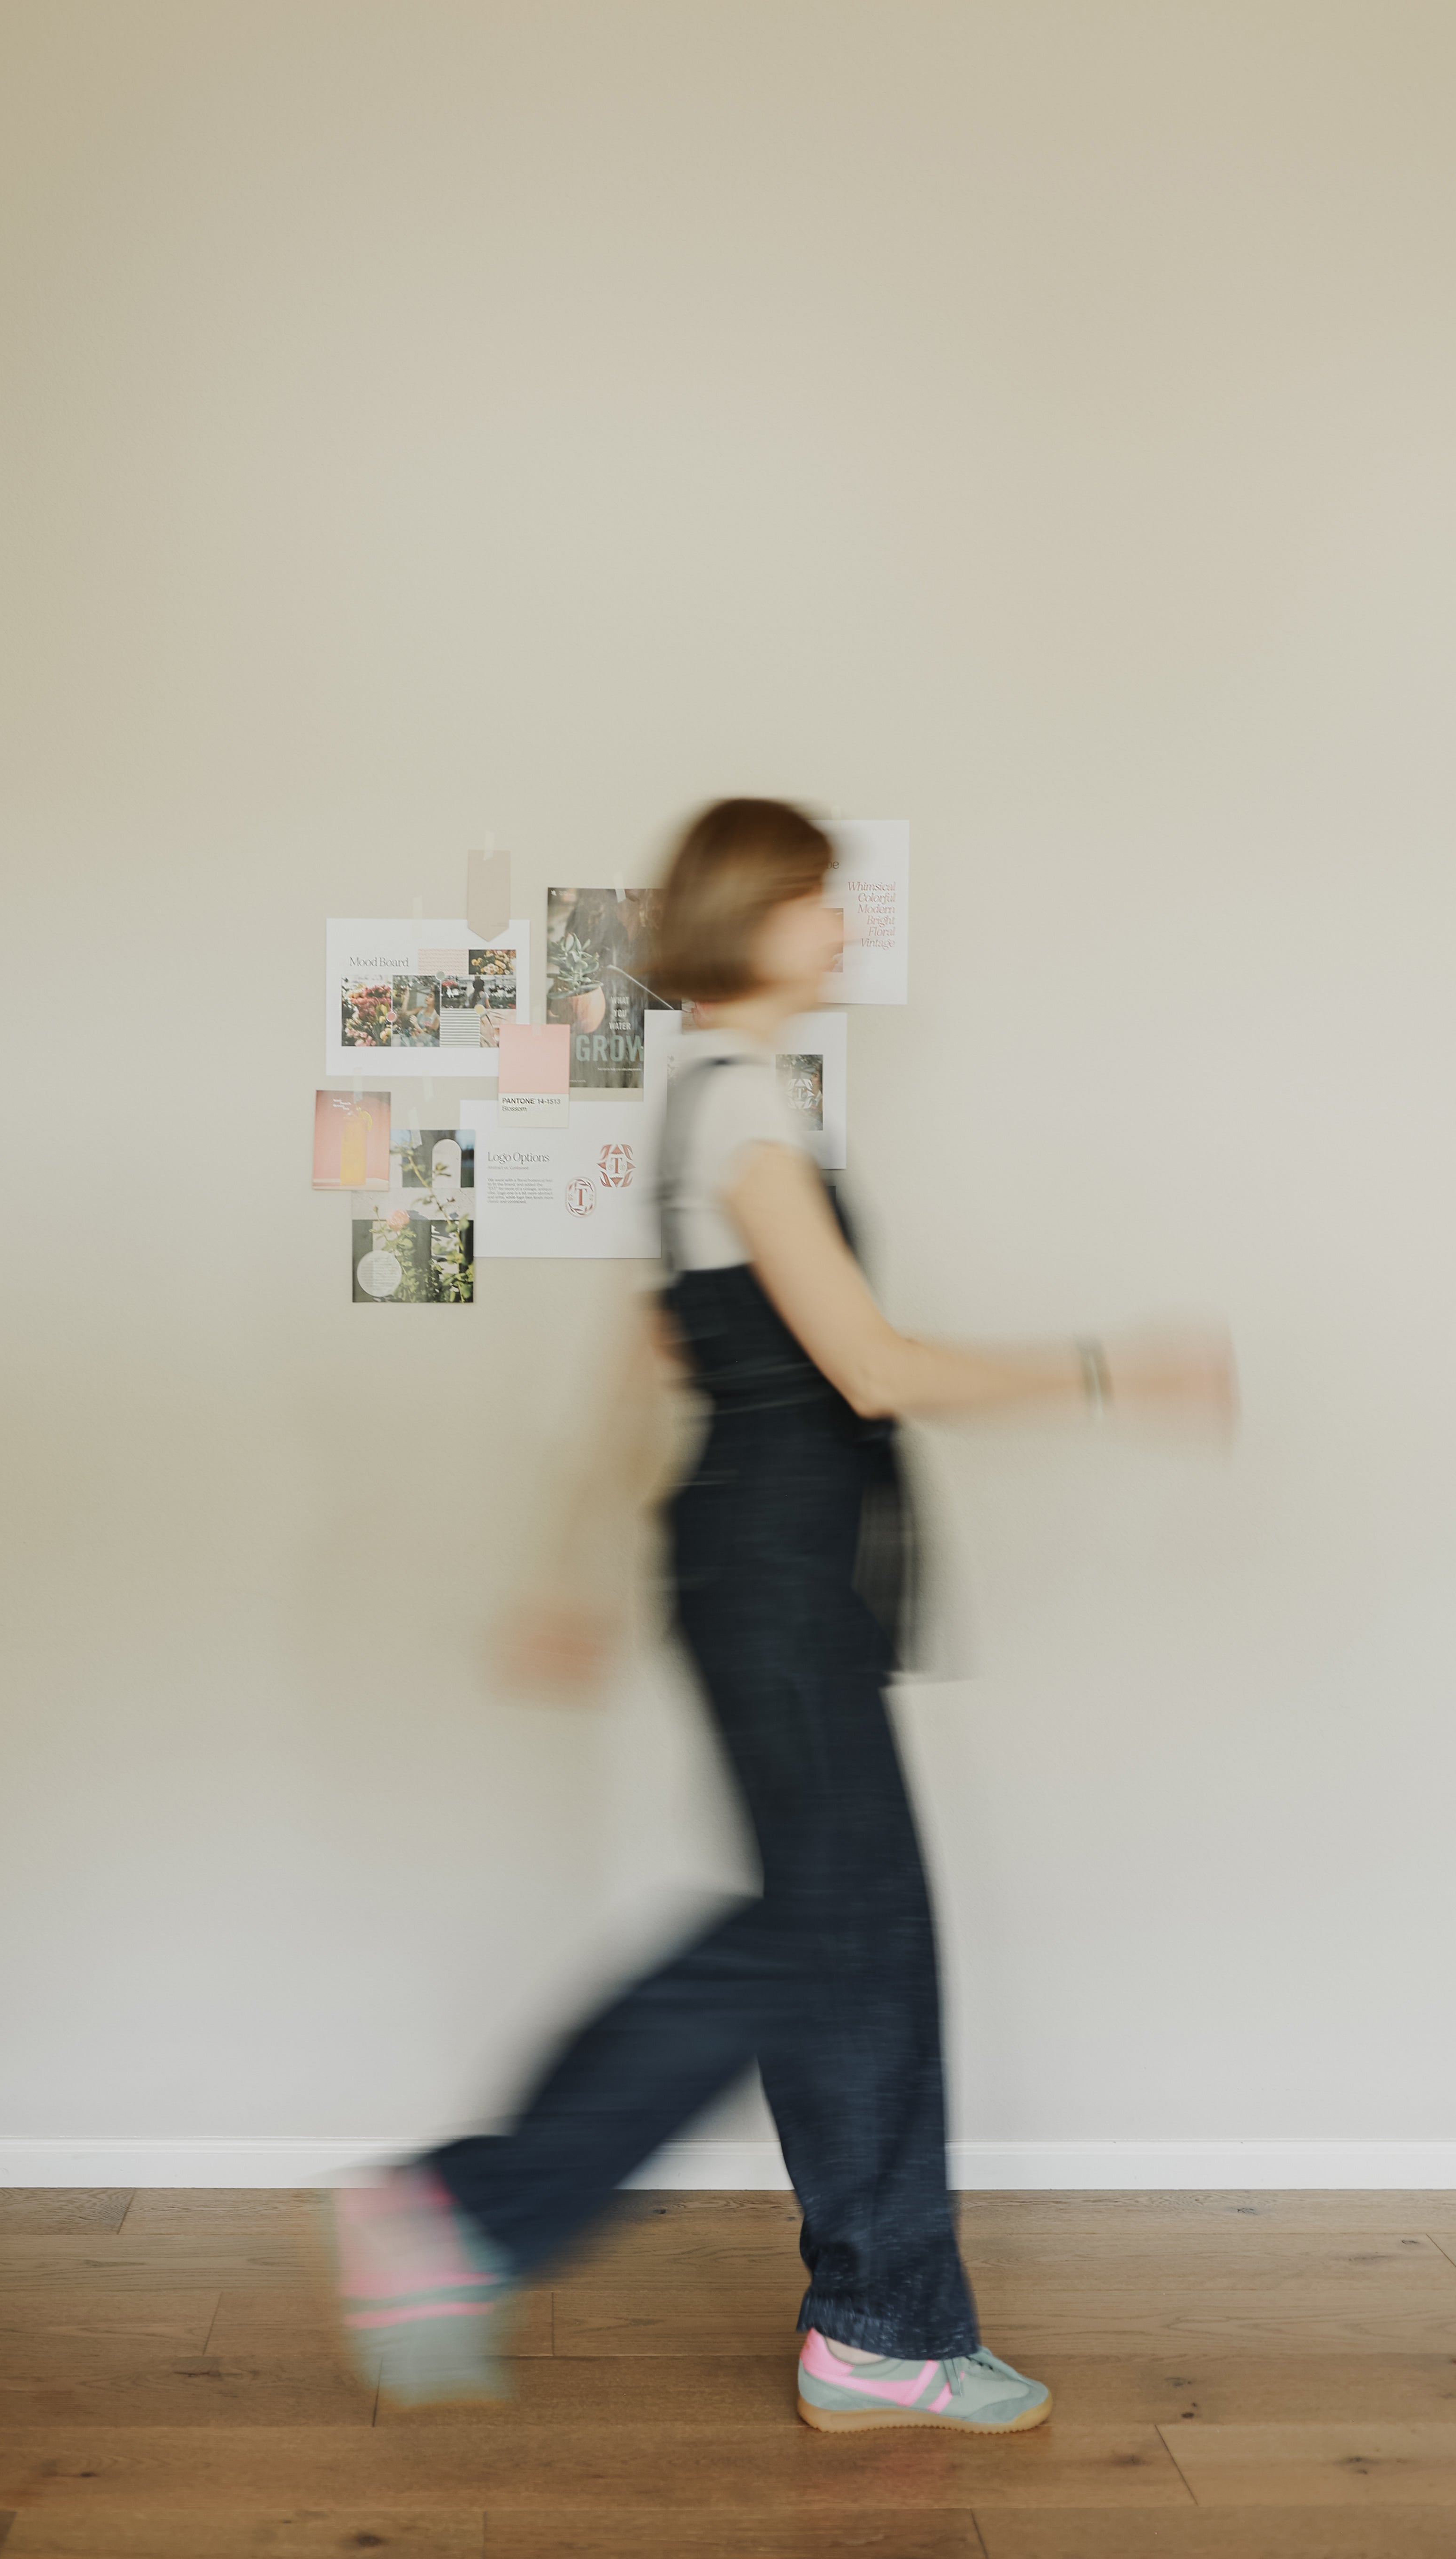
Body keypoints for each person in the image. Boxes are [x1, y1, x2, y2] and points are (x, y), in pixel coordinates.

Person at [332, 798, 1233, 2433]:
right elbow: (873, 1367)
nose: (843, 927)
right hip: (773, 1571)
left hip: (774, 1566)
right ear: (754, 913)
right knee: (824, 1935)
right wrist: (1118, 1372)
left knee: (863, 1945)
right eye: (822, 901)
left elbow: (652, 1357)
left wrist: (572, 1570)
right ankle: (465, 2213)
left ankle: (881, 2328)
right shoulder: (743, 1106)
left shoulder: (729, 1107)